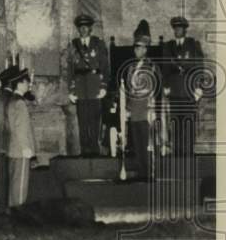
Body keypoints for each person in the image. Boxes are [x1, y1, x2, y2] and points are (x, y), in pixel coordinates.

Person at [119, 24, 161, 181]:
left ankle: (151, 172)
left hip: (146, 109)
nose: (136, 51)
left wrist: (153, 109)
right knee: (137, 142)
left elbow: (156, 90)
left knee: (147, 143)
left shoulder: (152, 66)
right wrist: (127, 108)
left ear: (145, 49)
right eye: (135, 48)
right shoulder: (131, 68)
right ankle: (141, 172)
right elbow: (129, 90)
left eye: (140, 48)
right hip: (135, 109)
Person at [162, 16, 205, 161]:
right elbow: (165, 69)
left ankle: (188, 151)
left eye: (180, 28)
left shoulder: (193, 45)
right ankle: (178, 151)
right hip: (174, 90)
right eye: (175, 28)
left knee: (188, 121)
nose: (177, 30)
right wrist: (166, 86)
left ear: (185, 30)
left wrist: (199, 87)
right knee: (175, 122)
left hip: (188, 90)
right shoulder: (168, 46)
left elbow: (199, 66)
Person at [66, 14, 110, 156]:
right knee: (82, 119)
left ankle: (95, 148)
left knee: (95, 119)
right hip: (80, 86)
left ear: (90, 28)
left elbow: (105, 66)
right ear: (78, 29)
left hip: (94, 85)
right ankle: (85, 149)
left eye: (86, 27)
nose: (83, 29)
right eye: (80, 27)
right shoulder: (73, 45)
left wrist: (103, 86)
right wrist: (71, 89)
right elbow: (70, 68)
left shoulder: (98, 43)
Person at [2, 66, 37, 207]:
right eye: (26, 82)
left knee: (15, 183)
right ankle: (18, 214)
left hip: (13, 148)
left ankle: (12, 212)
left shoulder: (11, 100)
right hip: (20, 150)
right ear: (20, 83)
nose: (28, 85)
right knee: (21, 185)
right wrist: (26, 148)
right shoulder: (20, 103)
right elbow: (21, 128)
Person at [0, 72, 12, 210]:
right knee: (8, 175)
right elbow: (4, 122)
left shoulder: (2, 97)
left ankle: (4, 202)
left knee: (5, 174)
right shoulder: (7, 97)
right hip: (8, 140)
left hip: (4, 140)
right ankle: (6, 203)